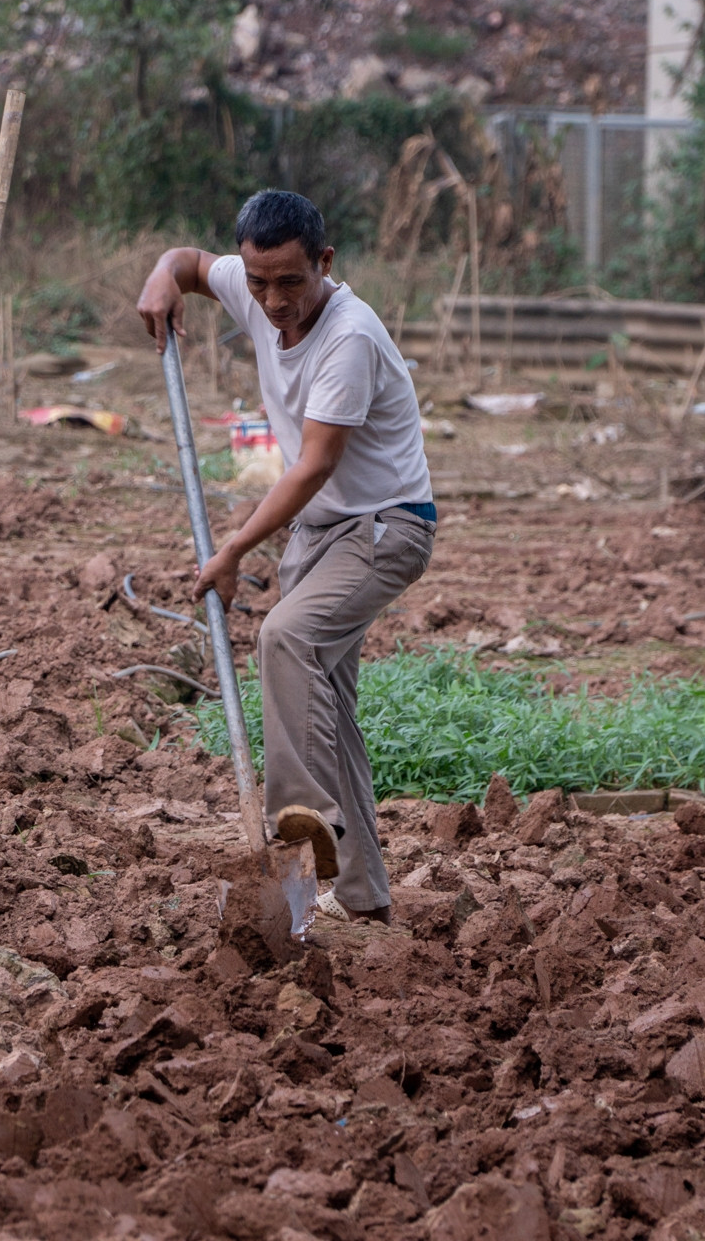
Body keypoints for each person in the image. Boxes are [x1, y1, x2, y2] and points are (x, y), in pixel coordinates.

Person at [135, 190, 435, 924]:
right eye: (259, 282)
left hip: (382, 528)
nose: (272, 302)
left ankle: (304, 814)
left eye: (291, 283)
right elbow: (192, 264)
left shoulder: (349, 338)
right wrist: (163, 275)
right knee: (327, 708)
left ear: (325, 263)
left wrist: (234, 548)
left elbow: (312, 466)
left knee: (285, 637)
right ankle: (361, 895)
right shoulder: (255, 281)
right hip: (318, 535)